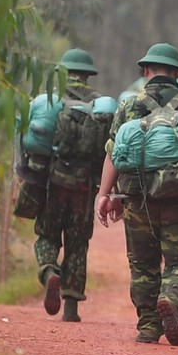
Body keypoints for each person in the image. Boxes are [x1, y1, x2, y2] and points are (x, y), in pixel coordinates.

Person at [95, 43, 178, 346]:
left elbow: (113, 154)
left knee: (143, 263)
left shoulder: (128, 105)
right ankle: (171, 298)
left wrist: (105, 195)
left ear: (146, 71)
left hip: (137, 198)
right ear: (176, 73)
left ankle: (148, 326)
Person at [34, 48, 106, 323]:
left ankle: (49, 272)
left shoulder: (52, 101)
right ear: (88, 76)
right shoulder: (100, 105)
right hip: (85, 186)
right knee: (78, 245)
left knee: (47, 236)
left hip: (54, 182)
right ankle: (72, 308)